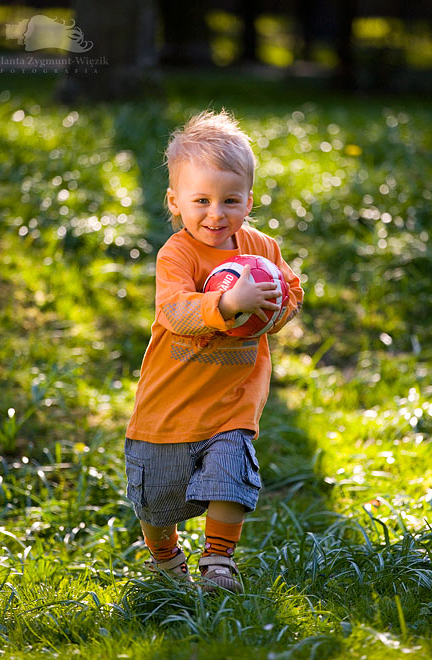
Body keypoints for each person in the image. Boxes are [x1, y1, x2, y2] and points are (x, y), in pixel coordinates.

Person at [125, 110, 304, 593]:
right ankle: (164, 560)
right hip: (168, 406)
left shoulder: (261, 248)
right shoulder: (176, 254)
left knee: (231, 476)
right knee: (157, 501)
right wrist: (227, 304)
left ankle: (218, 561)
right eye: (200, 200)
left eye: (230, 199)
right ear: (175, 201)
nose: (216, 213)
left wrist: (274, 309)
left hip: (231, 403)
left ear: (249, 199)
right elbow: (176, 311)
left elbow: (289, 292)